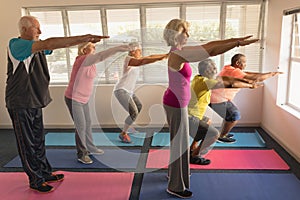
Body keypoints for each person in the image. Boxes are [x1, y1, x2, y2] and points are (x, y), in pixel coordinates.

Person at [5, 15, 108, 193]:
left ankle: (44, 172)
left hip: (35, 101)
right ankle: (35, 179)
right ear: (24, 30)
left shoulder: (36, 48)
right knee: (27, 143)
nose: (40, 32)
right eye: (36, 28)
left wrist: (84, 40)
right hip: (20, 102)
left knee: (38, 140)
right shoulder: (17, 45)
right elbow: (49, 44)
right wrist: (85, 37)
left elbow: (59, 44)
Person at [162, 18, 258, 198]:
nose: (188, 36)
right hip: (175, 104)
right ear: (174, 35)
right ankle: (175, 186)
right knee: (180, 145)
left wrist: (235, 40)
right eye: (184, 32)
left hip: (178, 103)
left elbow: (210, 45)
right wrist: (237, 43)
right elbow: (210, 49)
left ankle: (173, 174)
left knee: (180, 143)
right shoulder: (176, 54)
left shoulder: (179, 52)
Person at [65, 42, 130, 164]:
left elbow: (101, 58)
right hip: (73, 98)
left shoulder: (91, 63)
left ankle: (90, 147)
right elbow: (101, 56)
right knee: (81, 126)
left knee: (88, 123)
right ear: (84, 50)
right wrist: (118, 48)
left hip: (84, 99)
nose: (95, 48)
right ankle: (82, 154)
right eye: (92, 47)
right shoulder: (82, 60)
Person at [188, 59, 262, 165]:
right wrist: (250, 86)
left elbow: (226, 79)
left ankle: (192, 148)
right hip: (189, 117)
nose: (216, 69)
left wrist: (247, 81)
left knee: (207, 121)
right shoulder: (205, 82)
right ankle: (195, 155)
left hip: (191, 115)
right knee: (214, 134)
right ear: (206, 71)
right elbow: (229, 83)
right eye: (213, 68)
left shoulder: (198, 78)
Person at [210, 53, 282, 143]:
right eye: (244, 62)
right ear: (237, 63)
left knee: (229, 116)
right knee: (234, 115)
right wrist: (272, 74)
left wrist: (263, 75)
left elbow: (249, 74)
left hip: (217, 97)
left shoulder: (228, 68)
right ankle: (221, 136)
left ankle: (222, 133)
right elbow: (255, 78)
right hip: (218, 99)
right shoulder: (234, 71)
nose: (245, 64)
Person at [114, 42, 168, 143]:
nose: (141, 52)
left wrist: (166, 55)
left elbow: (150, 57)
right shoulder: (128, 59)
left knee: (139, 106)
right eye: (139, 50)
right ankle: (123, 134)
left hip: (128, 91)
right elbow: (143, 61)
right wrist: (160, 58)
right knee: (133, 112)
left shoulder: (137, 59)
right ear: (133, 51)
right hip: (121, 90)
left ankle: (128, 126)